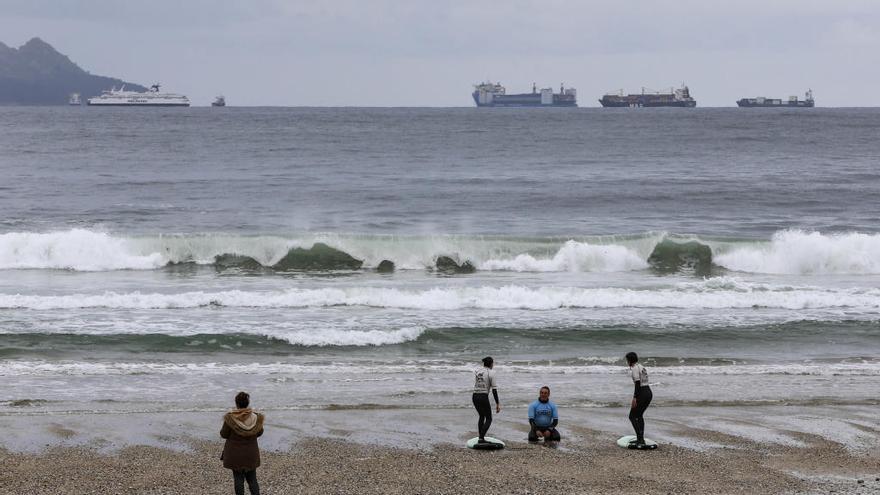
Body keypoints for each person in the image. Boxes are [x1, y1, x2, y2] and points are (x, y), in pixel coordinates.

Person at [220, 391, 265, 495]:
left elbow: (223, 434)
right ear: (247, 403)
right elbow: (260, 432)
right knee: (252, 479)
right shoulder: (256, 418)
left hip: (235, 454)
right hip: (251, 454)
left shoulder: (230, 418)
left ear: (237, 403)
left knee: (238, 479)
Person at [625, 351, 652, 449]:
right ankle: (640, 438)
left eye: (627, 360)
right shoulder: (641, 367)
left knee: (632, 416)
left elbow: (637, 384)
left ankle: (640, 440)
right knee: (639, 415)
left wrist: (634, 398)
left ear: (629, 360)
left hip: (642, 393)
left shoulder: (635, 369)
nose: (627, 362)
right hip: (648, 392)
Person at [472, 356, 500, 443]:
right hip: (483, 397)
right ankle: (481, 438)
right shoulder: (491, 373)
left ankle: (481, 437)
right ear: (491, 364)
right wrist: (497, 403)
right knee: (489, 418)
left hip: (475, 396)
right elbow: (494, 390)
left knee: (481, 416)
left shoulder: (477, 371)